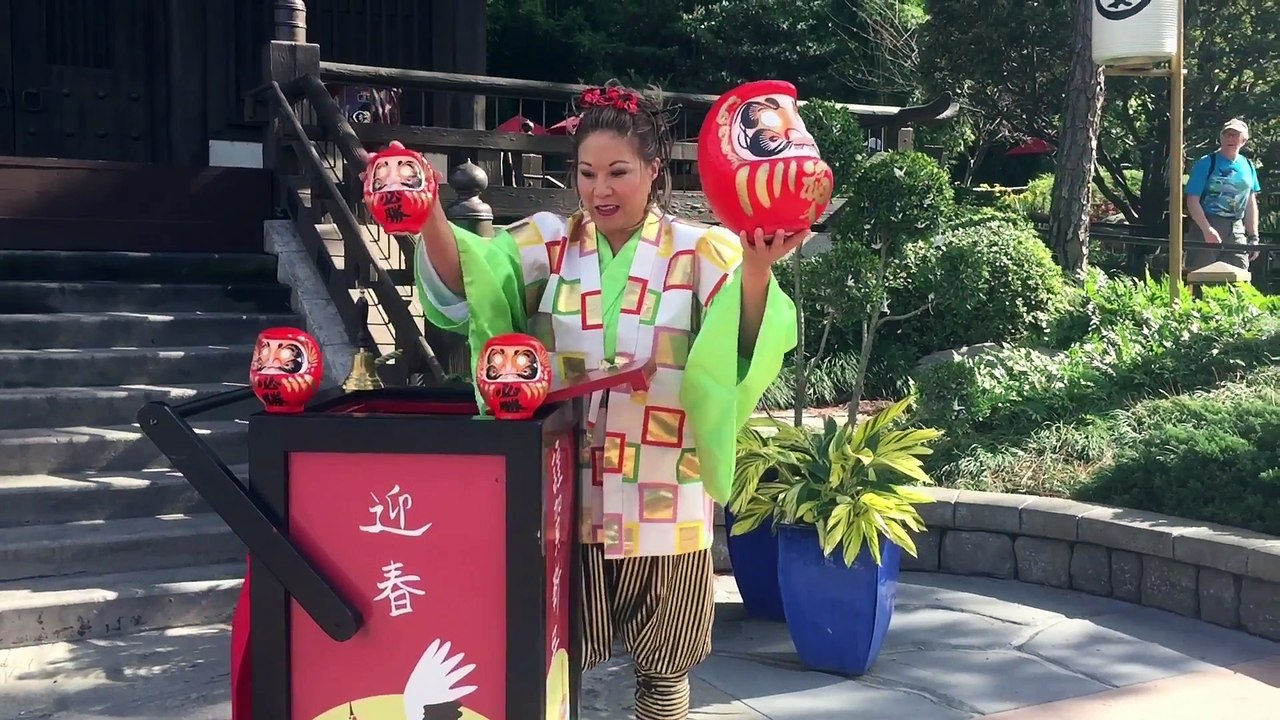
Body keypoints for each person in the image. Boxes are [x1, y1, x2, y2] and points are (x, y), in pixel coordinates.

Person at [413, 83, 801, 719]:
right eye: (588, 173)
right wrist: (430, 213)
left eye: (619, 172)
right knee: (555, 659)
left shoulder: (701, 248)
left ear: (654, 170)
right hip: (568, 487)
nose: (601, 190)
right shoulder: (549, 241)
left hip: (664, 484)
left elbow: (744, 336)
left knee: (664, 667)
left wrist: (758, 271)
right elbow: (477, 274)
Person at [1185, 118, 1262, 270]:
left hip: (1236, 229)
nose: (1230, 138)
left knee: (1238, 277)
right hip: (1207, 224)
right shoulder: (1206, 162)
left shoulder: (1248, 165)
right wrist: (1207, 230)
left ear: (1243, 140)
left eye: (1235, 135)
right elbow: (1192, 200)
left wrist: (1253, 237)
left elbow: (1250, 203)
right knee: (1202, 276)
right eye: (1227, 134)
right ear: (1221, 138)